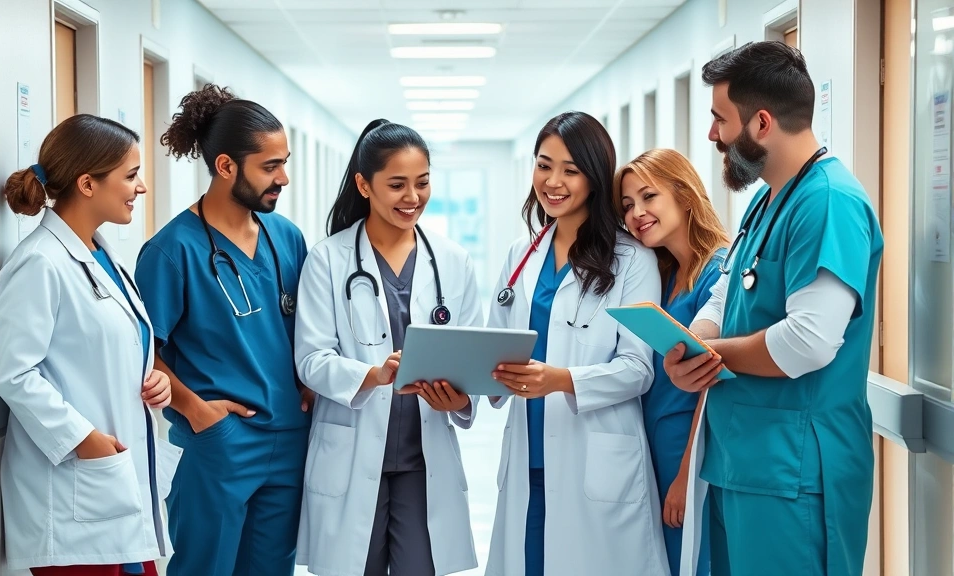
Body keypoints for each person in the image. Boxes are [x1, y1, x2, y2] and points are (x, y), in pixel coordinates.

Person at [664, 41, 883, 576]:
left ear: (761, 123)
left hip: (796, 473)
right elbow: (727, 293)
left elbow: (807, 340)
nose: (712, 134)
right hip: (745, 464)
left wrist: (708, 354)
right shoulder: (767, 200)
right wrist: (691, 343)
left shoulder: (830, 201)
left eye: (720, 119)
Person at [134, 84, 310, 576]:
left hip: (290, 437)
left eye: (285, 162)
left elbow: (310, 330)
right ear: (226, 166)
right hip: (220, 442)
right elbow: (140, 351)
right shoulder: (172, 251)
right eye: (270, 167)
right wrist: (198, 412)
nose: (284, 178)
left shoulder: (287, 238)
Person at [484, 111, 669, 576]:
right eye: (544, 165)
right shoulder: (520, 254)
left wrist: (561, 380)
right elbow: (495, 348)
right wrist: (469, 379)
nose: (553, 181)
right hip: (529, 459)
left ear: (594, 177)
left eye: (570, 169)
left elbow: (637, 368)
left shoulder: (632, 260)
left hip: (594, 459)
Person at [293, 119, 481, 576]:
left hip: (423, 456)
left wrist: (461, 398)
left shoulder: (452, 261)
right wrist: (372, 375)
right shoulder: (328, 259)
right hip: (353, 450)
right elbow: (311, 359)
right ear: (364, 184)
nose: (412, 197)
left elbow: (474, 354)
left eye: (422, 182)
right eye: (397, 185)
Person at [0, 114, 178, 576]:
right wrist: (84, 440)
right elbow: (16, 375)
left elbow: (111, 348)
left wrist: (152, 380)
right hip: (76, 492)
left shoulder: (101, 254)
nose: (141, 188)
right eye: (131, 175)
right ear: (87, 184)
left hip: (117, 485)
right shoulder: (39, 262)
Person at [613, 148, 728, 576]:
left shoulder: (717, 272)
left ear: (684, 195)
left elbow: (711, 384)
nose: (637, 213)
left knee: (692, 561)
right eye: (627, 206)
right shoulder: (663, 277)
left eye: (648, 197)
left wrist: (685, 477)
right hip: (656, 444)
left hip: (688, 448)